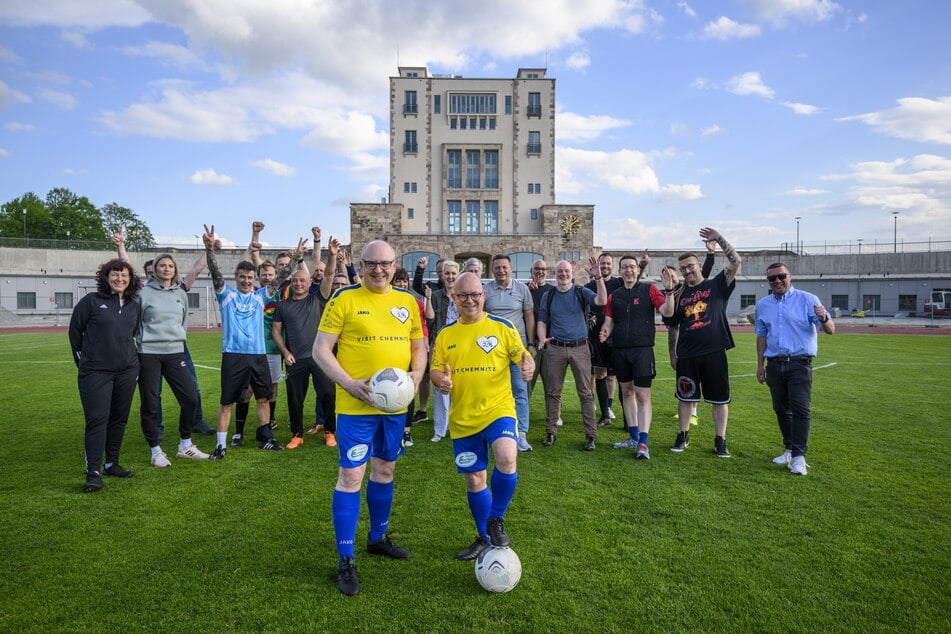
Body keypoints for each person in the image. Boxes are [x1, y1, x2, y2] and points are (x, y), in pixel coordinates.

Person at [313, 240, 427, 597]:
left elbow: (419, 348)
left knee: (385, 470)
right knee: (351, 476)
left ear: (395, 266)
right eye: (371, 264)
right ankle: (345, 557)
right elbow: (319, 350)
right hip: (355, 408)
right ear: (360, 266)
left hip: (393, 408)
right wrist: (348, 383)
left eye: (385, 264)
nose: (378, 270)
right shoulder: (344, 299)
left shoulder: (408, 302)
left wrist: (415, 380)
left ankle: (377, 538)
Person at [431, 272, 534, 560]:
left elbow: (522, 356)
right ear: (454, 298)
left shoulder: (502, 327)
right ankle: (484, 536)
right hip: (463, 418)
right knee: (475, 479)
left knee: (507, 456)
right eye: (462, 295)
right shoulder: (446, 334)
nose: (470, 300)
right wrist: (441, 381)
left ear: (483, 296)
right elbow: (435, 369)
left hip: (498, 410)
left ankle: (496, 518)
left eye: (475, 294)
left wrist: (528, 365)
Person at [202, 224, 299, 459]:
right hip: (233, 355)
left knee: (264, 397)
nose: (246, 281)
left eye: (249, 277)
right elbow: (215, 275)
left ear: (254, 279)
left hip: (258, 355)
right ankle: (221, 445)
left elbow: (281, 278)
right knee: (227, 401)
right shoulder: (226, 295)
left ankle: (265, 438)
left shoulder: (260, 296)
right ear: (235, 278)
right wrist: (209, 251)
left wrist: (296, 259)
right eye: (242, 277)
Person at [667, 227, 742, 458]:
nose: (688, 270)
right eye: (683, 268)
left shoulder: (716, 285)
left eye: (691, 266)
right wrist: (672, 354)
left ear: (699, 265)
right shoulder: (679, 295)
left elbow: (735, 260)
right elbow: (673, 326)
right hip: (687, 354)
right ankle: (683, 434)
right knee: (685, 397)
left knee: (719, 399)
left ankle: (720, 439)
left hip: (714, 351)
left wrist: (718, 239)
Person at [69, 258, 142, 493]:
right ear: (106, 277)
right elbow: (75, 333)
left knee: (119, 419)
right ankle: (93, 472)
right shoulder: (91, 301)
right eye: (115, 274)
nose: (119, 279)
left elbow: (133, 333)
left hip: (127, 370)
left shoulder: (134, 305)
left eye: (124, 275)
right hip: (95, 372)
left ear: (130, 280)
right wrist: (86, 363)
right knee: (97, 420)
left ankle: (112, 463)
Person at [755, 262, 834, 476]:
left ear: (790, 276)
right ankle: (789, 448)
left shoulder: (808, 300)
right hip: (774, 364)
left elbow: (830, 330)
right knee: (781, 409)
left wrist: (824, 317)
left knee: (800, 409)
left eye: (781, 276)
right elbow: (761, 336)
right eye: (772, 279)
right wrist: (760, 365)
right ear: (768, 282)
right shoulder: (763, 305)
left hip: (799, 363)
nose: (777, 281)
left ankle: (799, 456)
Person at [598, 255, 675, 459]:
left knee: (642, 395)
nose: (629, 270)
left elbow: (667, 311)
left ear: (638, 270)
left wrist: (669, 291)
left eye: (632, 267)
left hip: (642, 351)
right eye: (625, 268)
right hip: (621, 351)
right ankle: (632, 436)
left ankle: (643, 442)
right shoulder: (615, 296)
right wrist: (605, 332)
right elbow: (608, 322)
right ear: (620, 271)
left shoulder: (649, 289)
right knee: (627, 393)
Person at [136, 253, 209, 467]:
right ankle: (155, 451)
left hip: (175, 352)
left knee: (190, 399)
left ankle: (185, 445)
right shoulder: (143, 294)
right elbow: (136, 322)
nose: (166, 269)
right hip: (148, 353)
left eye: (170, 266)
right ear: (155, 269)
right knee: (150, 402)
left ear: (174, 270)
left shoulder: (180, 293)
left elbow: (183, 320)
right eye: (162, 265)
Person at [536, 259, 606, 450]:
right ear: (555, 272)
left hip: (580, 348)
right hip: (556, 348)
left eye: (566, 271)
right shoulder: (549, 295)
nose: (563, 274)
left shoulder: (581, 291)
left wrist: (598, 277)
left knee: (585, 393)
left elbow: (602, 301)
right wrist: (542, 338)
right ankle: (550, 432)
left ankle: (591, 436)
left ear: (571, 272)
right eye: (560, 271)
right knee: (553, 392)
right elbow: (542, 321)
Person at [272, 262, 336, 449]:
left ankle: (329, 431)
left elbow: (330, 275)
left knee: (327, 395)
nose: (298, 283)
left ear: (309, 283)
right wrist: (285, 352)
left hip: (319, 358)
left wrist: (332, 255)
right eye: (295, 281)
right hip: (295, 359)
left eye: (302, 280)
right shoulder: (283, 306)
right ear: (291, 283)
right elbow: (276, 332)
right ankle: (297, 434)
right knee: (295, 399)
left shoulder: (318, 299)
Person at [482, 254, 535, 452]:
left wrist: (530, 344)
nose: (501, 271)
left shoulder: (522, 289)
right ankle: (490, 431)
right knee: (491, 392)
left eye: (504, 267)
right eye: (497, 268)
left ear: (511, 269)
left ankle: (521, 434)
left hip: (517, 350)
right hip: (491, 351)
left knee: (520, 391)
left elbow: (529, 317)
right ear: (492, 270)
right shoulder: (485, 290)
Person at [391, 266, 430, 447]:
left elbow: (422, 326)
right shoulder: (385, 300)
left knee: (408, 391)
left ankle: (406, 432)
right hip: (391, 352)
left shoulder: (416, 303)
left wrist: (424, 344)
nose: (402, 283)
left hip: (410, 352)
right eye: (398, 280)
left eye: (404, 280)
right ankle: (390, 428)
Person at [586, 253, 622, 427]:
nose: (605, 266)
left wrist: (643, 266)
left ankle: (628, 421)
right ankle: (605, 414)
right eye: (602, 264)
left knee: (620, 377)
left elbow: (635, 281)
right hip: (596, 337)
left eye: (608, 263)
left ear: (612, 266)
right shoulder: (588, 286)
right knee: (599, 373)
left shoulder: (619, 283)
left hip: (617, 337)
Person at [425, 260, 460, 442]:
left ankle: (458, 427)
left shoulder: (463, 295)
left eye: (453, 273)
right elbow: (430, 319)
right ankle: (439, 430)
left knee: (460, 388)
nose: (450, 277)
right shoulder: (436, 295)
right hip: (440, 347)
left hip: (461, 347)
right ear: (442, 275)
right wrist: (429, 298)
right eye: (447, 273)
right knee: (440, 389)